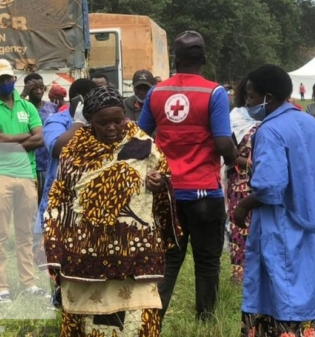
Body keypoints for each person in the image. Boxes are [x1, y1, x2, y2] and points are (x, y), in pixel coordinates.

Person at [41, 86, 177, 337]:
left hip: (135, 255)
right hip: (83, 255)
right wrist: (54, 246)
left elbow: (165, 178)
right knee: (87, 320)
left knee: (138, 321)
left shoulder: (143, 144)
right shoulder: (75, 152)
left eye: (118, 120)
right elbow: (59, 199)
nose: (113, 127)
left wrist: (160, 185)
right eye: (104, 123)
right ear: (90, 122)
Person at [232, 64, 315, 337]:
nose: (248, 102)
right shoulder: (308, 122)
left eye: (250, 96)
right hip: (313, 223)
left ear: (268, 98)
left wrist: (244, 204)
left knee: (284, 296)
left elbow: (270, 187)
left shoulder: (270, 130)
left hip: (283, 227)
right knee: (310, 290)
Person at [138, 30, 236, 320]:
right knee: (207, 262)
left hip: (167, 192)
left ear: (175, 60)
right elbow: (221, 142)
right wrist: (235, 158)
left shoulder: (156, 92)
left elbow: (140, 136)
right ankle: (205, 321)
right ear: (204, 58)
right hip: (205, 192)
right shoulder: (214, 93)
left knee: (168, 260)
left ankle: (154, 319)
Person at [0, 58, 46, 303]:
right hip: (0, 176)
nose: (6, 83)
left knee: (25, 233)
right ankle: (1, 286)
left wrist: (9, 139)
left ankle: (28, 283)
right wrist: (23, 137)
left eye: (9, 78)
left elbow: (39, 138)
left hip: (26, 175)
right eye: (2, 80)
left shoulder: (27, 107)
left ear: (14, 79)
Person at [33, 78, 98, 271]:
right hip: (61, 201)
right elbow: (57, 149)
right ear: (79, 101)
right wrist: (79, 123)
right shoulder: (56, 121)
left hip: (89, 201)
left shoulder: (98, 122)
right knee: (59, 263)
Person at [225, 78, 259, 284]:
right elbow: (227, 151)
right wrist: (250, 163)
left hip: (267, 180)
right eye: (247, 94)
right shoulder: (235, 118)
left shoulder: (271, 118)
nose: (250, 98)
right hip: (241, 179)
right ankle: (239, 273)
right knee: (240, 225)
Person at [21, 73, 58, 205]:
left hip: (49, 163)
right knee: (31, 204)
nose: (39, 91)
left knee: (50, 202)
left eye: (41, 87)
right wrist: (23, 94)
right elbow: (11, 113)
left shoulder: (52, 108)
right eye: (34, 88)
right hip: (30, 164)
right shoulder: (21, 107)